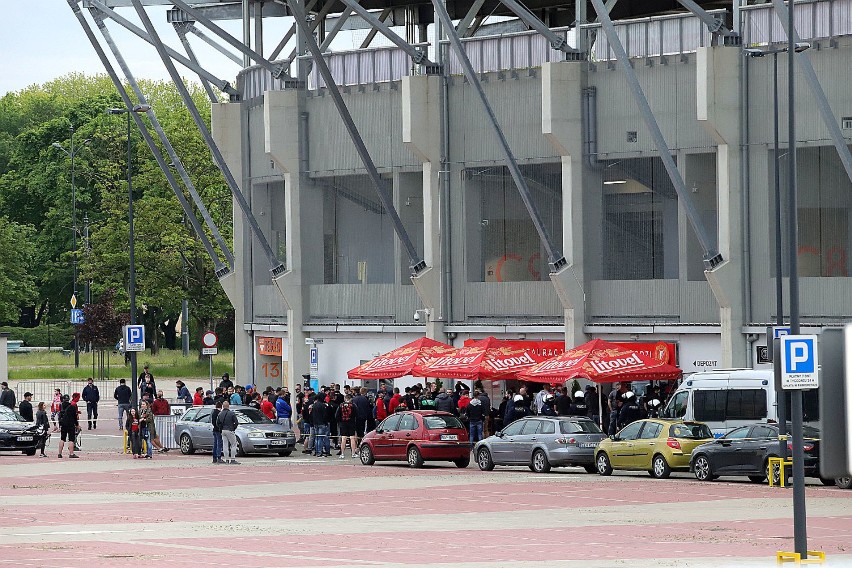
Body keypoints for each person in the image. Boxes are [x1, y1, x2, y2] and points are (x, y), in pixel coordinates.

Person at [217, 399, 239, 464]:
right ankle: (232, 459)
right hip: (230, 429)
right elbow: (236, 422)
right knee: (233, 444)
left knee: (225, 445)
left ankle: (226, 459)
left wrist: (220, 428)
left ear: (223, 406)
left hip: (223, 430)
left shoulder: (220, 414)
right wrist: (233, 428)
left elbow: (217, 423)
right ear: (228, 406)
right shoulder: (231, 413)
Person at [336, 394, 358, 459]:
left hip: (343, 423)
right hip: (351, 423)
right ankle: (353, 453)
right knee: (352, 438)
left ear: (345, 399)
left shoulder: (341, 405)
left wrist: (340, 421)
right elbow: (357, 414)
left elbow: (337, 415)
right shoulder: (353, 405)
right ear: (351, 399)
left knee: (343, 438)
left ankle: (342, 454)